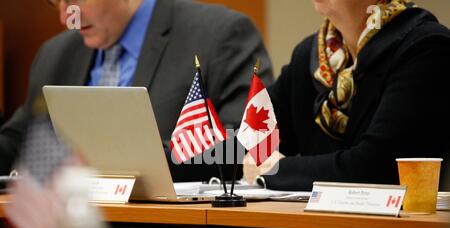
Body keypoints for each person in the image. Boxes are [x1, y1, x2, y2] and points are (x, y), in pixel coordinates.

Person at [0, 0, 273, 179]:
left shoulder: (220, 35)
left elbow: (249, 143)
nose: (65, 16)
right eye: (55, 1)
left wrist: (136, 161)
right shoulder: (55, 53)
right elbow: (19, 140)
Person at [249, 0, 450, 191]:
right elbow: (251, 140)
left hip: (392, 226)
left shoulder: (426, 49)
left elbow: (375, 168)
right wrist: (223, 155)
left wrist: (277, 169)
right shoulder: (310, 56)